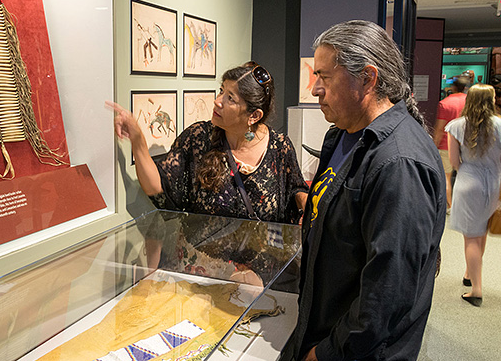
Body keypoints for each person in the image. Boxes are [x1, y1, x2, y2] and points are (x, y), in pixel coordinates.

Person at [281, 20, 446, 361]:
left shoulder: (399, 163)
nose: (315, 89)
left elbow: (387, 293)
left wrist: (326, 353)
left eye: (325, 77)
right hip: (325, 327)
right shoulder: (342, 134)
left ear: (368, 78)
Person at [107, 62, 309, 281]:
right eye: (222, 90)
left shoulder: (280, 147)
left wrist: (306, 204)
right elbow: (159, 188)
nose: (217, 101)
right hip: (203, 275)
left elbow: (295, 187)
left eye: (230, 98)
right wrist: (138, 140)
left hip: (260, 280)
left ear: (254, 115)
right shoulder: (198, 138)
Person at [445, 84, 501, 307]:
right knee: (482, 231)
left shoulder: (457, 126)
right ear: (491, 100)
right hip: (495, 182)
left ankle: (476, 290)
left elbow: (455, 162)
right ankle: (470, 273)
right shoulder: (500, 125)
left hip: (469, 182)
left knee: (471, 237)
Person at [432, 75, 469, 212]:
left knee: (446, 177)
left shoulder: (445, 103)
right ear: (465, 88)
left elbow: (440, 128)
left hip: (446, 145)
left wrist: (434, 145)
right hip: (467, 145)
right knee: (466, 177)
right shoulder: (470, 102)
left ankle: (449, 206)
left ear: (453, 87)